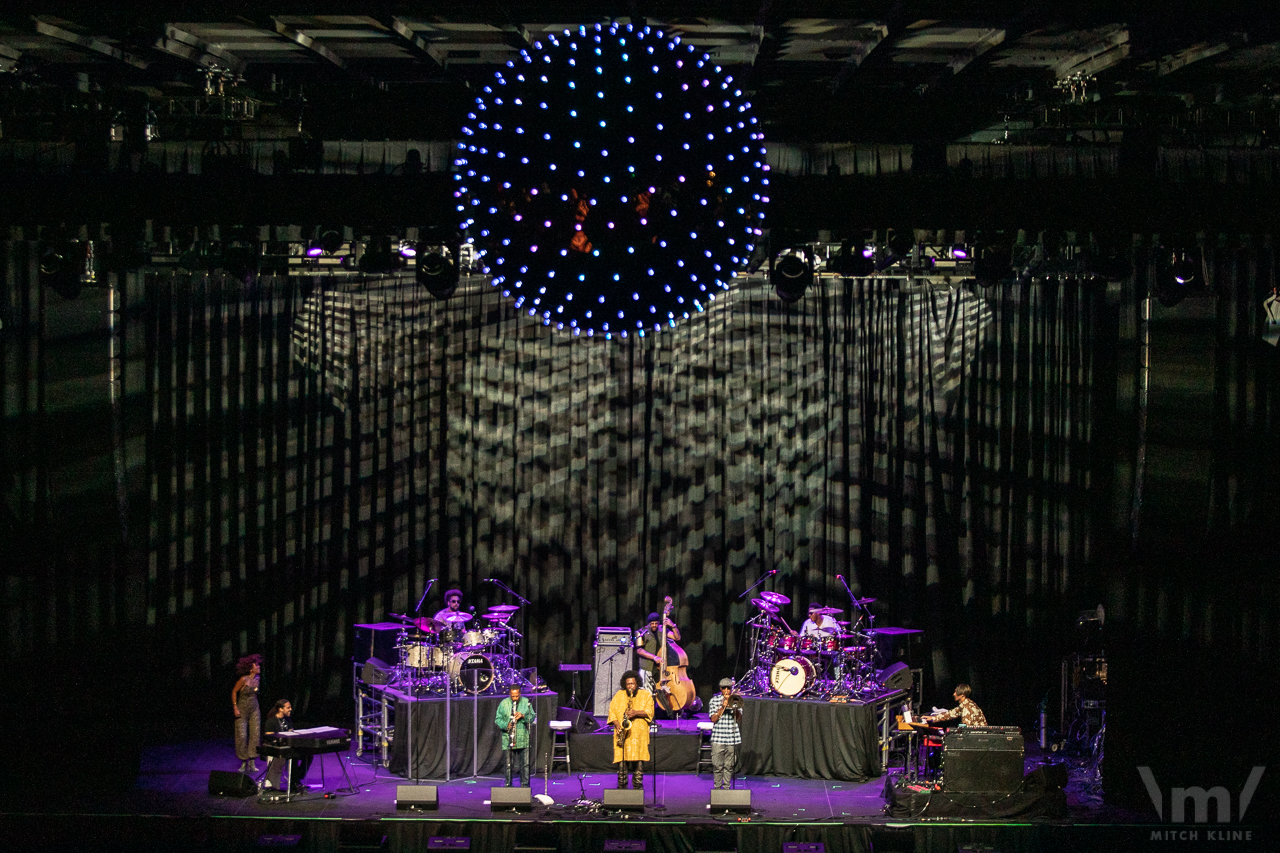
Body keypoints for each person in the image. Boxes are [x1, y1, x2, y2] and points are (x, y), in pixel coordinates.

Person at [607, 670, 654, 789]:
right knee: (622, 767)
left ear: (637, 683)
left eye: (632, 683)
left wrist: (636, 712)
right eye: (628, 684)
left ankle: (637, 789)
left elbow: (650, 712)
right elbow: (612, 712)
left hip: (639, 737)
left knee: (638, 766)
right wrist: (617, 725)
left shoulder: (646, 695)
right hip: (623, 735)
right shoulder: (619, 695)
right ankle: (622, 789)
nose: (630, 686)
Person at [262, 700, 313, 792]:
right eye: (288, 707)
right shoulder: (271, 721)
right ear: (281, 709)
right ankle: (292, 783)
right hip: (277, 748)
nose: (291, 709)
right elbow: (269, 736)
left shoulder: (287, 719)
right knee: (293, 756)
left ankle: (296, 779)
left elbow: (291, 732)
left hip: (288, 747)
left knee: (308, 755)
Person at [494, 685, 536, 787]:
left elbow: (532, 717)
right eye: (513, 696)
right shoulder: (504, 703)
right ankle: (508, 786)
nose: (515, 699)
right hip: (508, 738)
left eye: (517, 696)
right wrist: (506, 725)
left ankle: (525, 787)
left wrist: (523, 716)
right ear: (510, 694)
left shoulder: (526, 702)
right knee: (508, 766)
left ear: (520, 694)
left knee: (525, 765)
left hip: (523, 737)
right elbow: (497, 719)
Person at [707, 678, 742, 790]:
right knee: (717, 766)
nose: (726, 690)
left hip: (732, 737)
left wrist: (732, 706)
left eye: (729, 688)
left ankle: (726, 788)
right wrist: (722, 706)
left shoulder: (737, 700)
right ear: (720, 689)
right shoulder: (714, 700)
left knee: (729, 766)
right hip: (718, 738)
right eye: (724, 688)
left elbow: (738, 718)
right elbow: (713, 719)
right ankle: (717, 789)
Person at [635, 611, 680, 692]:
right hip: (647, 667)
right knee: (647, 692)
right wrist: (654, 657)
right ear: (648, 623)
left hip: (662, 668)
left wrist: (673, 625)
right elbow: (639, 650)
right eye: (652, 623)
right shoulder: (642, 632)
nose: (654, 625)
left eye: (656, 623)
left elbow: (677, 638)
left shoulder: (662, 630)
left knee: (660, 692)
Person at [232, 654, 262, 773]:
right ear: (251, 668)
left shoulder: (257, 679)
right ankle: (244, 761)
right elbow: (234, 692)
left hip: (254, 708)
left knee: (255, 734)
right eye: (257, 665)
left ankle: (252, 762)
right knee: (242, 735)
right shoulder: (243, 679)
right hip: (242, 708)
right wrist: (235, 707)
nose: (259, 667)